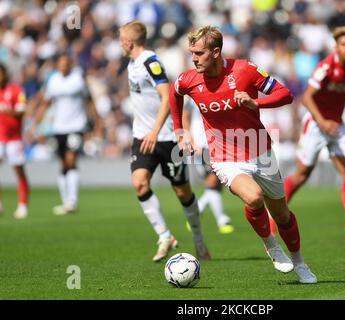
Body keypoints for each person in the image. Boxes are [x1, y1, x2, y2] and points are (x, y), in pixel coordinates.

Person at [169, 26, 317, 283]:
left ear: (215, 52)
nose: (193, 58)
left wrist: (254, 102)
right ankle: (270, 244)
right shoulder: (189, 79)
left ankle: (300, 263)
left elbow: (286, 94)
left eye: (199, 53)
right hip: (225, 157)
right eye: (191, 52)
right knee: (254, 197)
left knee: (282, 215)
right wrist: (180, 130)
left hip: (261, 150)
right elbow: (174, 93)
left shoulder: (245, 70)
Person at [119, 20, 210, 262]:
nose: (120, 44)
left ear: (128, 42)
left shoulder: (150, 62)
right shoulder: (132, 63)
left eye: (121, 40)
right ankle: (165, 236)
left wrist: (155, 130)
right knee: (139, 183)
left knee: (182, 192)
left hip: (166, 138)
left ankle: (199, 240)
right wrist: (147, 132)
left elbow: (167, 95)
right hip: (142, 137)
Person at [279, 26, 345, 242]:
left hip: (337, 125)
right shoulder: (325, 67)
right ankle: (275, 211)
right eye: (343, 44)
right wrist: (322, 121)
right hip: (316, 124)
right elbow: (306, 97)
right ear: (336, 47)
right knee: (302, 175)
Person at [30, 53, 102, 215]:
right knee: (63, 163)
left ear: (70, 64)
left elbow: (89, 101)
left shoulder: (78, 80)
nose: (64, 66)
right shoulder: (53, 81)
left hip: (76, 126)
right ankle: (65, 201)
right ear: (57, 66)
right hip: (58, 128)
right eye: (61, 64)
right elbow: (45, 103)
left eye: (66, 63)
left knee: (71, 159)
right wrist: (36, 124)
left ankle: (72, 201)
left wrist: (97, 123)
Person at [182, 98, 234, 234]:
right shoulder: (192, 95)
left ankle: (196, 213)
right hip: (202, 144)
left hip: (217, 143)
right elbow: (185, 116)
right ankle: (222, 220)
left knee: (217, 184)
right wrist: (190, 140)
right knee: (213, 181)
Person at [0, 63, 29, 219]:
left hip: (14, 138)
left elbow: (22, 111)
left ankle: (23, 205)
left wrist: (6, 109)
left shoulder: (16, 90)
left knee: (19, 171)